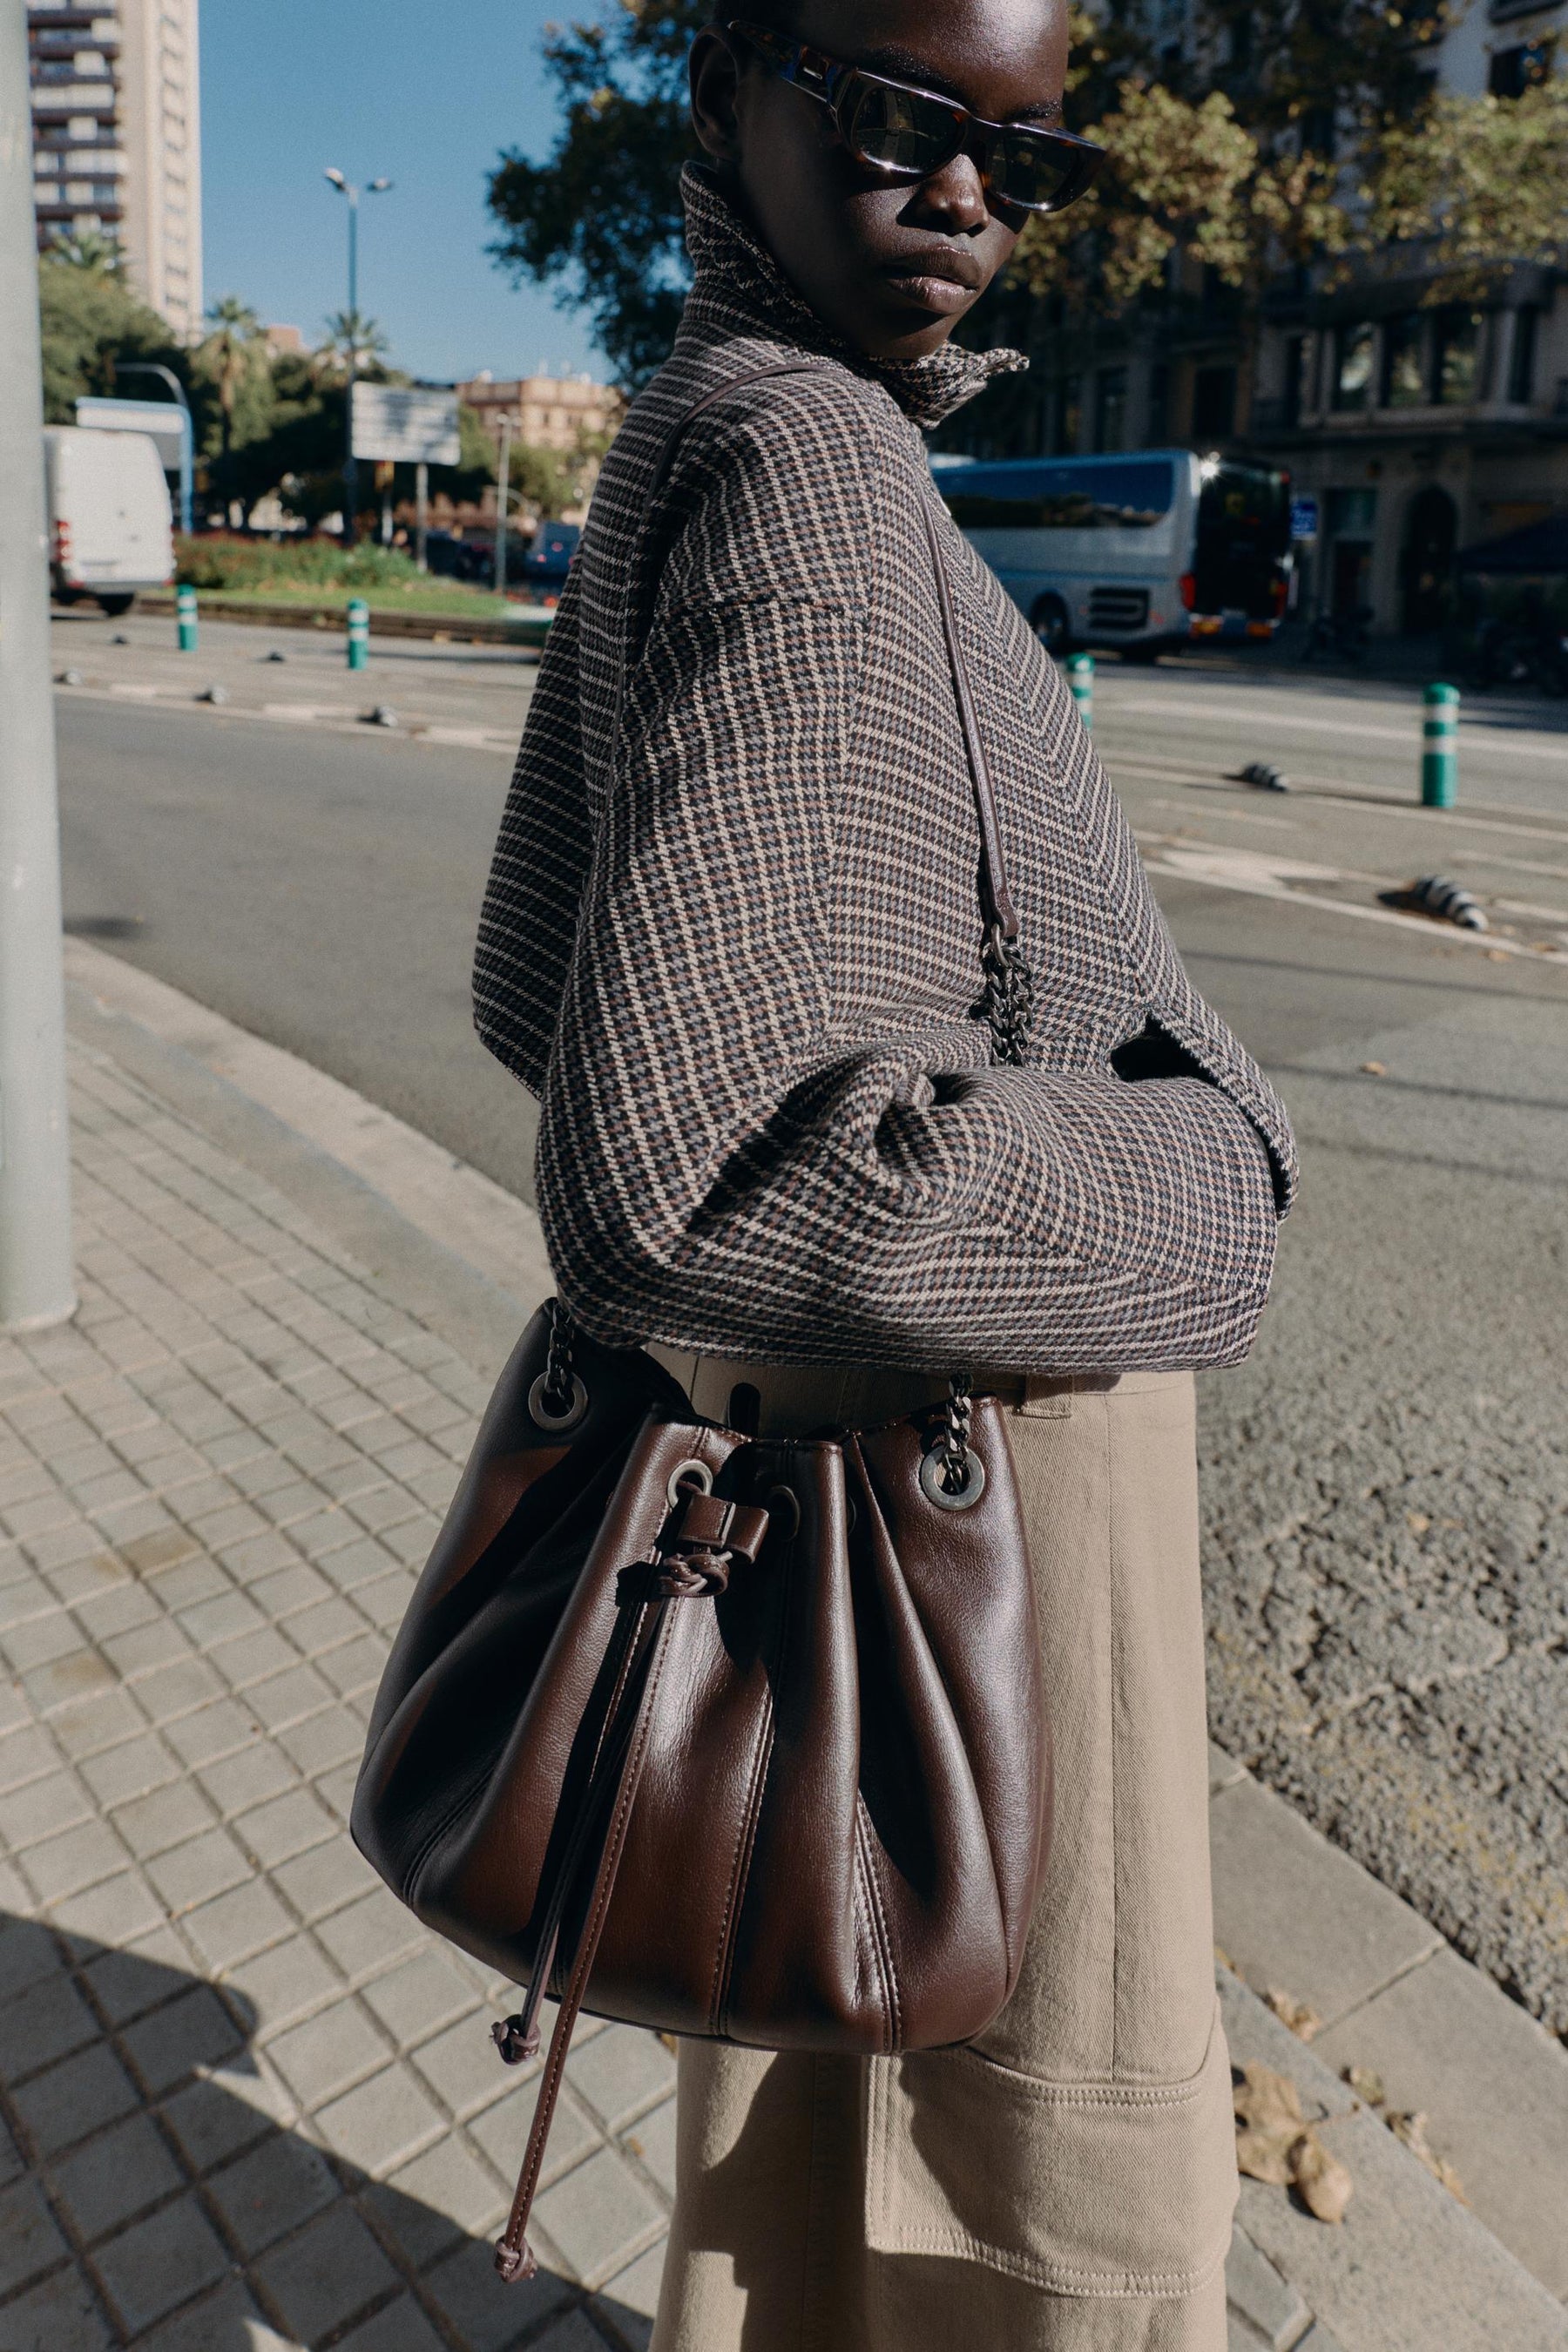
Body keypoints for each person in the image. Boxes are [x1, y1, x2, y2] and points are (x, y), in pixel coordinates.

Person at [473, 3, 1297, 2343]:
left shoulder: (695, 420)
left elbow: (542, 978)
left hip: (819, 1481)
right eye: (904, 120)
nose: (967, 199)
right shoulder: (814, 460)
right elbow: (679, 1165)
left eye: (1022, 155)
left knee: (823, 2153)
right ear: (723, 87)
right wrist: (1202, 1174)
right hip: (989, 1478)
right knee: (1056, 2185)